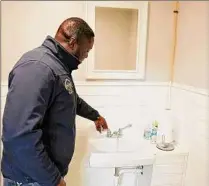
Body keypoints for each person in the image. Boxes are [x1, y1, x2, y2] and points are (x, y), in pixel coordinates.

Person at [1, 17, 109, 186]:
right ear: (73, 43)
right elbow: (19, 135)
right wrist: (53, 179)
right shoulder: (38, 67)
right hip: (31, 179)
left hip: (41, 177)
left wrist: (95, 116)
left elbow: (71, 100)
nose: (87, 56)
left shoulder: (57, 66)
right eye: (87, 50)